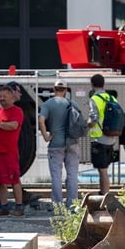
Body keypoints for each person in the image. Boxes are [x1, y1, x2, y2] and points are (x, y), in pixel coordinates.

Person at [38, 80, 80, 208]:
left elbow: (41, 120)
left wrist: (46, 136)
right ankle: (73, 204)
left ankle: (57, 205)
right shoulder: (73, 104)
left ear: (54, 89)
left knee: (56, 175)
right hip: (72, 142)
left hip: (56, 144)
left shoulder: (48, 104)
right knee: (72, 174)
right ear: (66, 90)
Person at [0, 82, 26, 217]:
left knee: (14, 179)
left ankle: (19, 206)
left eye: (4, 96)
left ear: (12, 96)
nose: (2, 99)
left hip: (8, 151)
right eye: (0, 96)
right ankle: (4, 207)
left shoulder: (17, 111)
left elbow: (13, 125)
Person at [88, 73, 118, 195]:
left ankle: (105, 195)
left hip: (99, 139)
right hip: (111, 138)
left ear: (92, 85)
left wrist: (86, 124)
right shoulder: (112, 98)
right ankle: (103, 193)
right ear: (103, 84)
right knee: (104, 169)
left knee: (103, 170)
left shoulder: (94, 99)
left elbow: (93, 119)